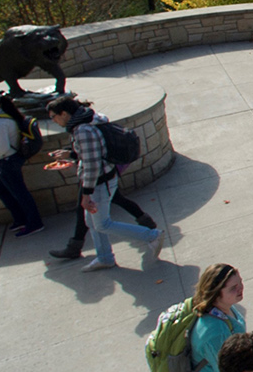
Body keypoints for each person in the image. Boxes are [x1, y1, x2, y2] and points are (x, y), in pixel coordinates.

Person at [45, 95, 164, 272]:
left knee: (102, 224)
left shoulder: (82, 130)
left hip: (99, 185)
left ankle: (152, 236)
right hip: (105, 179)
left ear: (63, 113)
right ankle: (105, 257)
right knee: (92, 223)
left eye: (53, 116)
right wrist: (70, 155)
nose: (53, 120)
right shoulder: (89, 120)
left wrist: (86, 194)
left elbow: (92, 165)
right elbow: (93, 152)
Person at [182, 263, 247, 372]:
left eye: (240, 283)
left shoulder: (225, 308)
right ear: (216, 294)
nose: (241, 289)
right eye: (233, 288)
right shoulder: (214, 333)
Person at [0, 91, 43, 238]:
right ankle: (21, 219)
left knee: (20, 193)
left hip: (7, 162)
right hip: (8, 161)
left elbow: (2, 146)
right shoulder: (2, 117)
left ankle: (34, 223)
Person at [48, 188, 157, 261]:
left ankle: (151, 233)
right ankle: (147, 223)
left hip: (97, 178)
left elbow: (91, 161)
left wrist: (86, 193)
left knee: (101, 223)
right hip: (103, 175)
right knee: (117, 199)